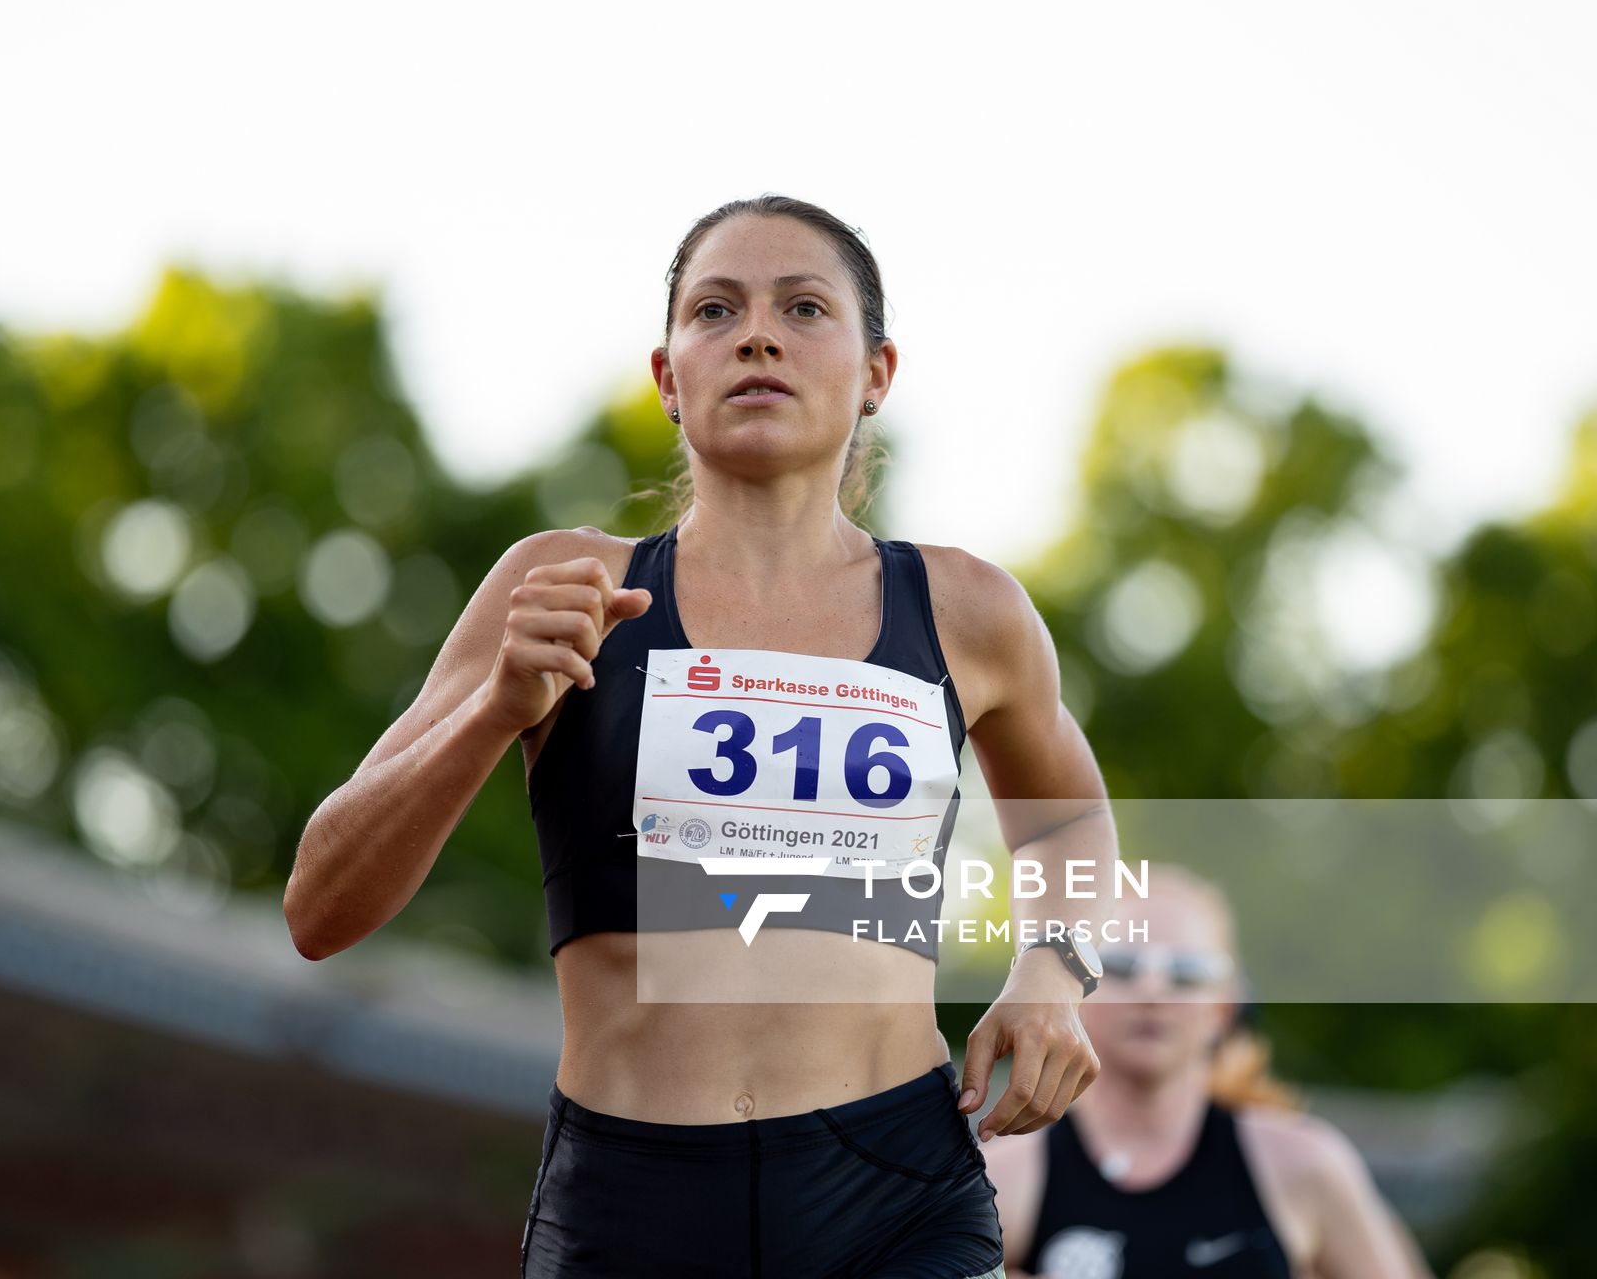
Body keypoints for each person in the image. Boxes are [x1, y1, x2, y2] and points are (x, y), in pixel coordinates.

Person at [285, 194, 1120, 1278]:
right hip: (629, 1205)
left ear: (877, 372)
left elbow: (1071, 822)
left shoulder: (969, 609)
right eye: (715, 309)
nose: (757, 334)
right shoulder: (564, 583)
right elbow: (319, 905)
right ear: (669, 377)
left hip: (892, 1194)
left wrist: (1053, 971)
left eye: (804, 307)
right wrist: (496, 706)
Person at [983, 863, 1436, 1279]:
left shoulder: (1303, 1164)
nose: (1153, 990)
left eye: (1186, 973)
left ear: (1225, 1007)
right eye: (1121, 966)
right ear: (1076, 990)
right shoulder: (1007, 1175)